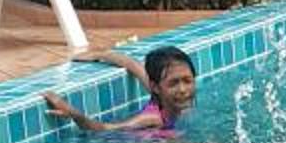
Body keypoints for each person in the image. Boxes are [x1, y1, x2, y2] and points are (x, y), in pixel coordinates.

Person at [46, 45, 197, 135]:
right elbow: (104, 129)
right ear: (155, 87)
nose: (182, 89)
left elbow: (132, 64)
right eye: (173, 83)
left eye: (187, 80)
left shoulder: (168, 96)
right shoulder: (151, 119)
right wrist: (75, 114)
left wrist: (99, 55)